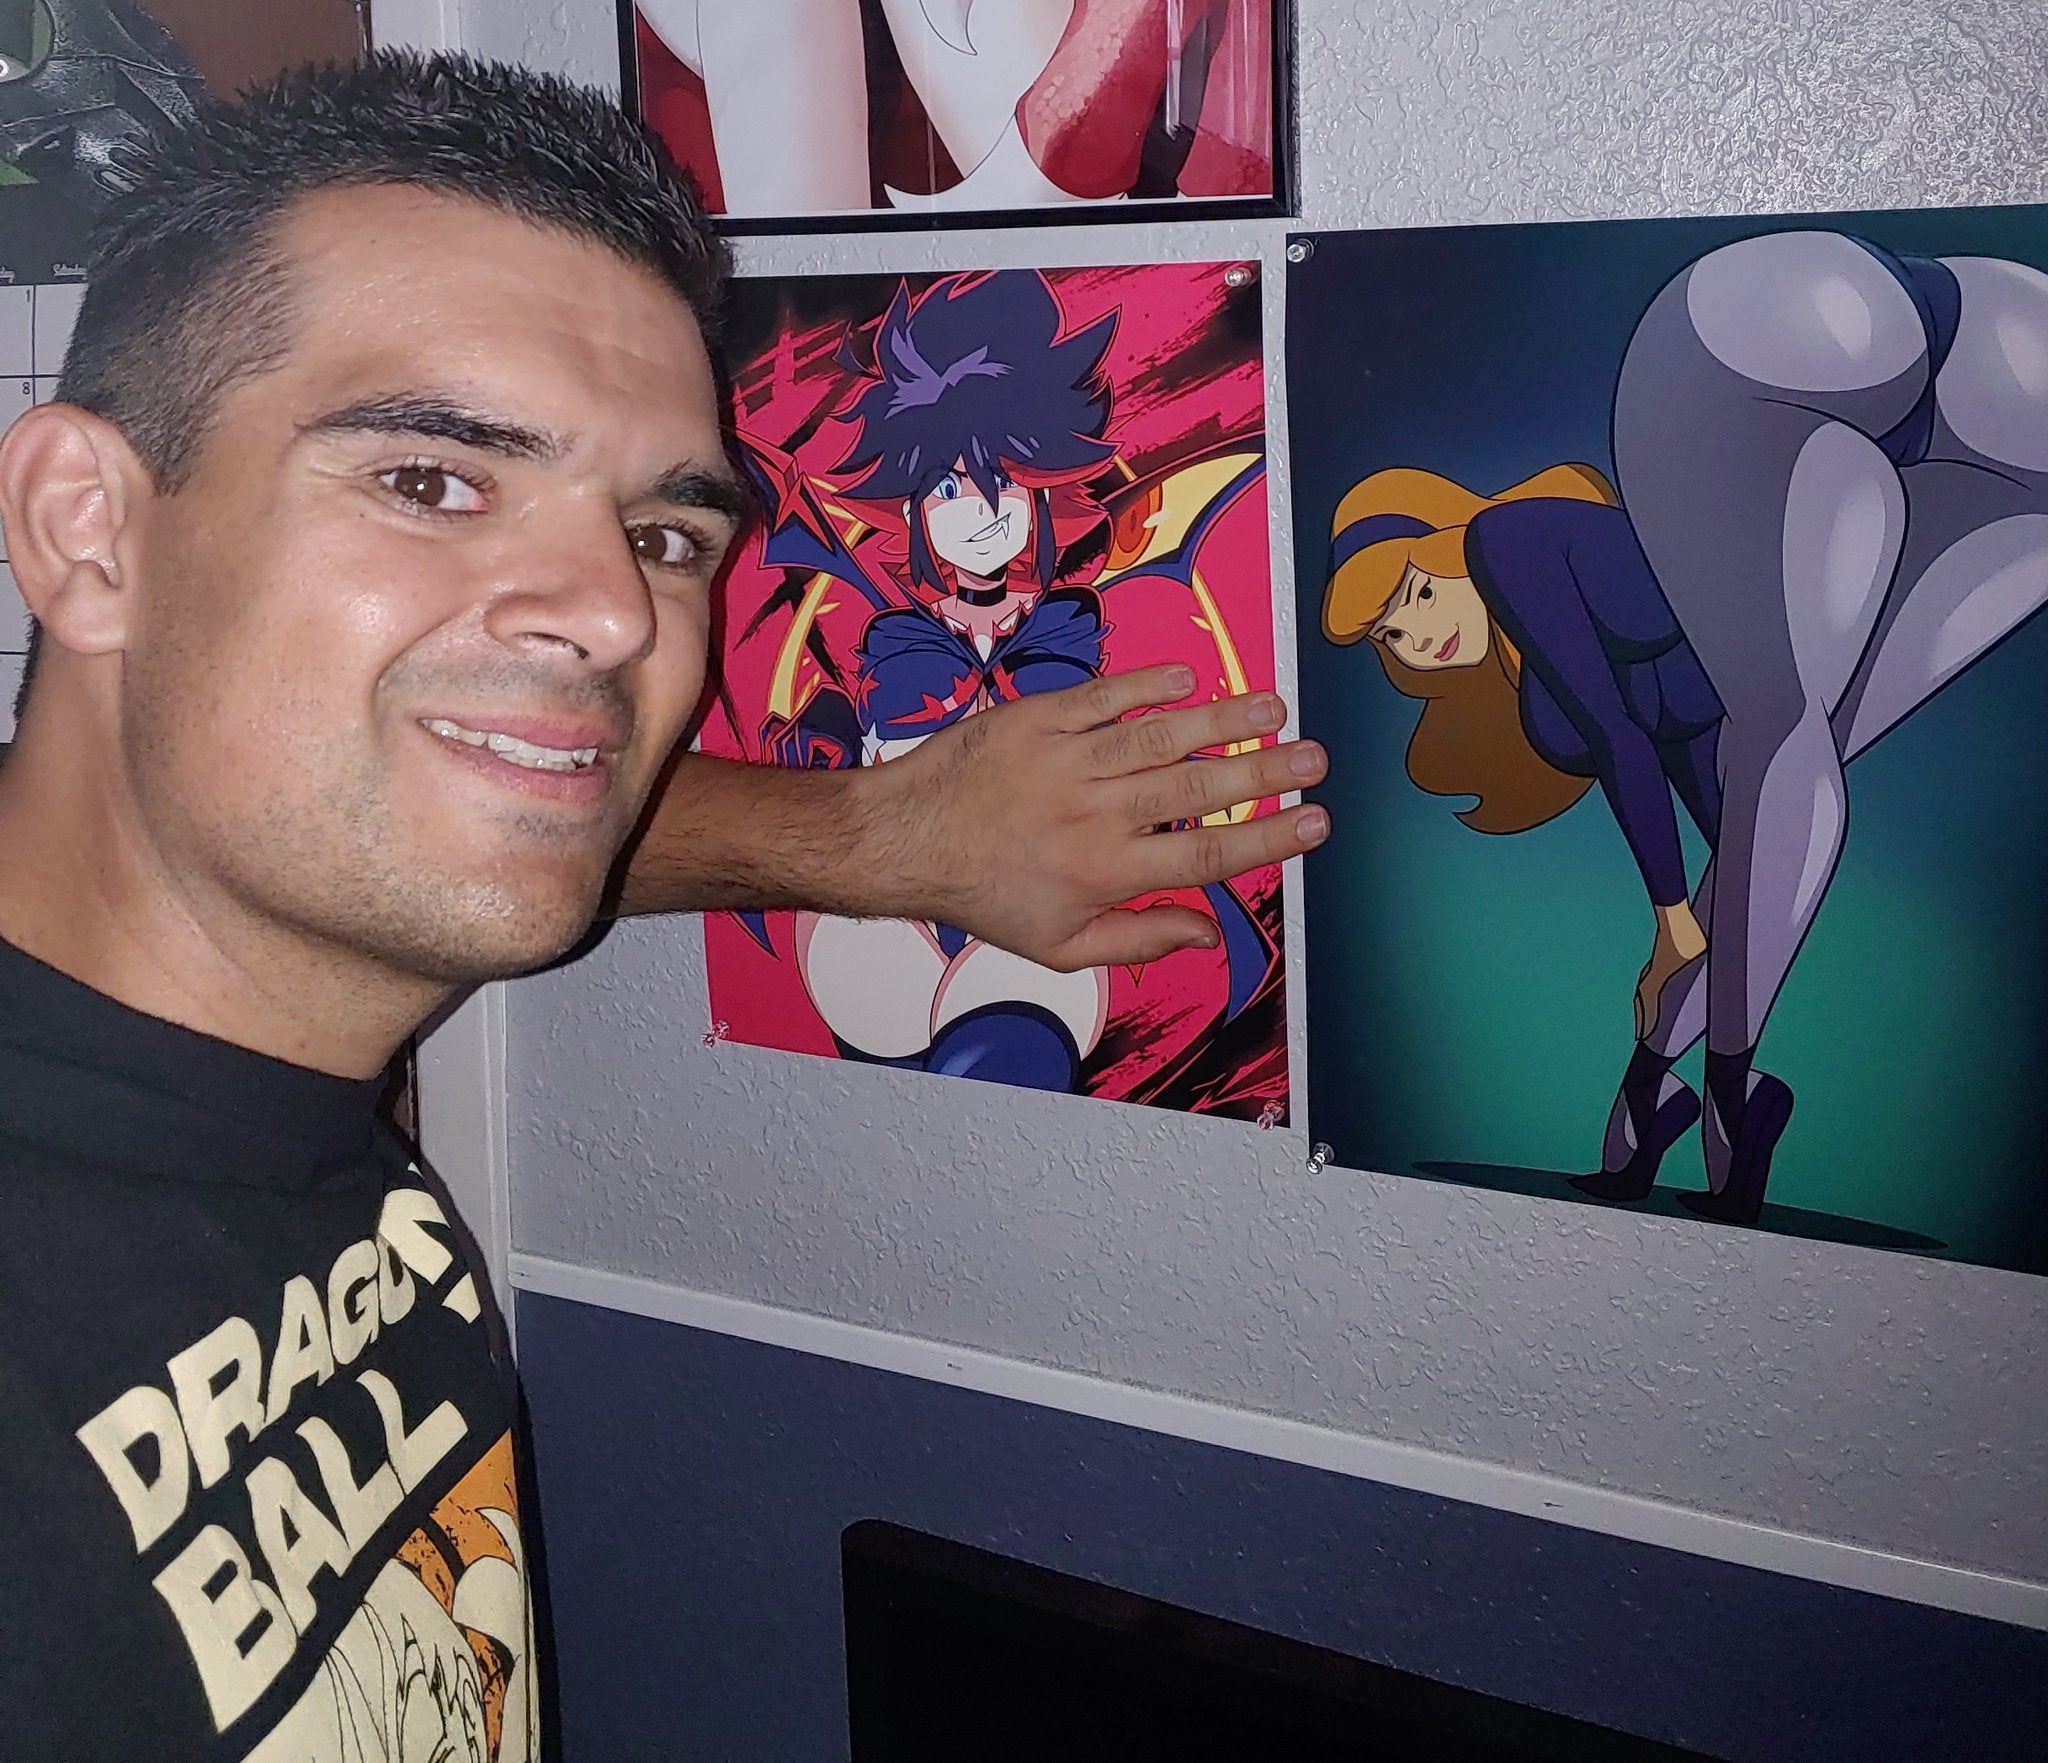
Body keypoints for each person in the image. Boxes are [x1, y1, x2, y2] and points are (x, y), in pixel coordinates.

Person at [0, 51, 1326, 1761]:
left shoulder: (302, 1134)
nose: (620, 616)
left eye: (667, 535)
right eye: (433, 480)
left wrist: (878, 838)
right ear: (85, 532)